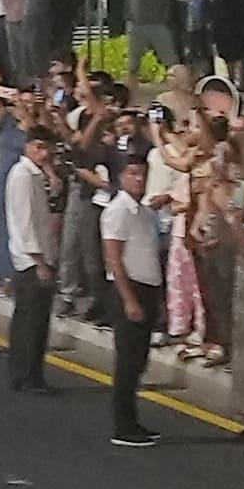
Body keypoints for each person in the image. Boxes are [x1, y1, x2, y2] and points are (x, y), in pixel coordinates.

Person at [99, 146, 167, 448]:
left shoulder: (144, 211)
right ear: (121, 177)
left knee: (138, 360)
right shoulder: (118, 211)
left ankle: (133, 420)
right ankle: (123, 426)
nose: (139, 179)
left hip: (148, 288)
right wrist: (129, 299)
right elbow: (114, 258)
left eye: (143, 174)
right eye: (133, 174)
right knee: (127, 362)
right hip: (130, 288)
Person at [1, 118, 61, 393]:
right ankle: (27, 375)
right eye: (39, 148)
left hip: (39, 256)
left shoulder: (34, 175)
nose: (44, 154)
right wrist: (40, 263)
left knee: (35, 320)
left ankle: (25, 373)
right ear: (28, 147)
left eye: (47, 148)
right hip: (31, 261)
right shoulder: (23, 177)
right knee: (31, 322)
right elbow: (25, 224)